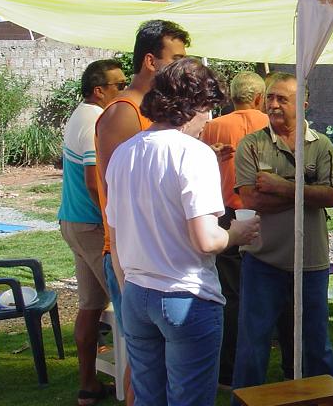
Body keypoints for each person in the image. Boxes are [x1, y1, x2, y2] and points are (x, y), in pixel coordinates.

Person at [105, 58, 260, 405]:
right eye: (208, 108)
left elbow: (115, 238)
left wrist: (129, 289)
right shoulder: (194, 153)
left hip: (137, 294)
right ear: (193, 106)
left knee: (148, 398)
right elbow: (206, 239)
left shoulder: (124, 153)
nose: (209, 119)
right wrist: (236, 232)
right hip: (185, 295)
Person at [94, 19, 189, 406]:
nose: (182, 67)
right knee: (143, 367)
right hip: (130, 256)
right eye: (176, 59)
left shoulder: (150, 112)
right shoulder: (124, 112)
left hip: (157, 253)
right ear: (151, 61)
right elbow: (120, 193)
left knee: (158, 366)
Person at [232, 72, 333, 391]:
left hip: (311, 262)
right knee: (253, 344)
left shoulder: (321, 145)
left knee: (316, 342)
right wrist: (308, 192)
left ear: (302, 104)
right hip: (263, 260)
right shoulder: (251, 145)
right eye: (270, 97)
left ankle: (326, 397)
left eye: (282, 98)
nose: (273, 104)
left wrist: (282, 187)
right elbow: (253, 200)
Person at [57, 59, 125, 405]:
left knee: (90, 306)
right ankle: (135, 388)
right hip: (91, 224)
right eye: (119, 85)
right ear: (99, 90)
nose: (124, 91)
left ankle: (88, 386)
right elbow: (93, 180)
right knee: (128, 305)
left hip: (74, 221)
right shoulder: (95, 120)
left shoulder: (80, 115)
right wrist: (115, 220)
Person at [199, 71, 269, 387]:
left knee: (230, 290)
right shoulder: (270, 123)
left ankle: (228, 369)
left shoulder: (213, 126)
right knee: (267, 284)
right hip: (265, 209)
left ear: (232, 97)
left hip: (226, 212)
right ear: (260, 98)